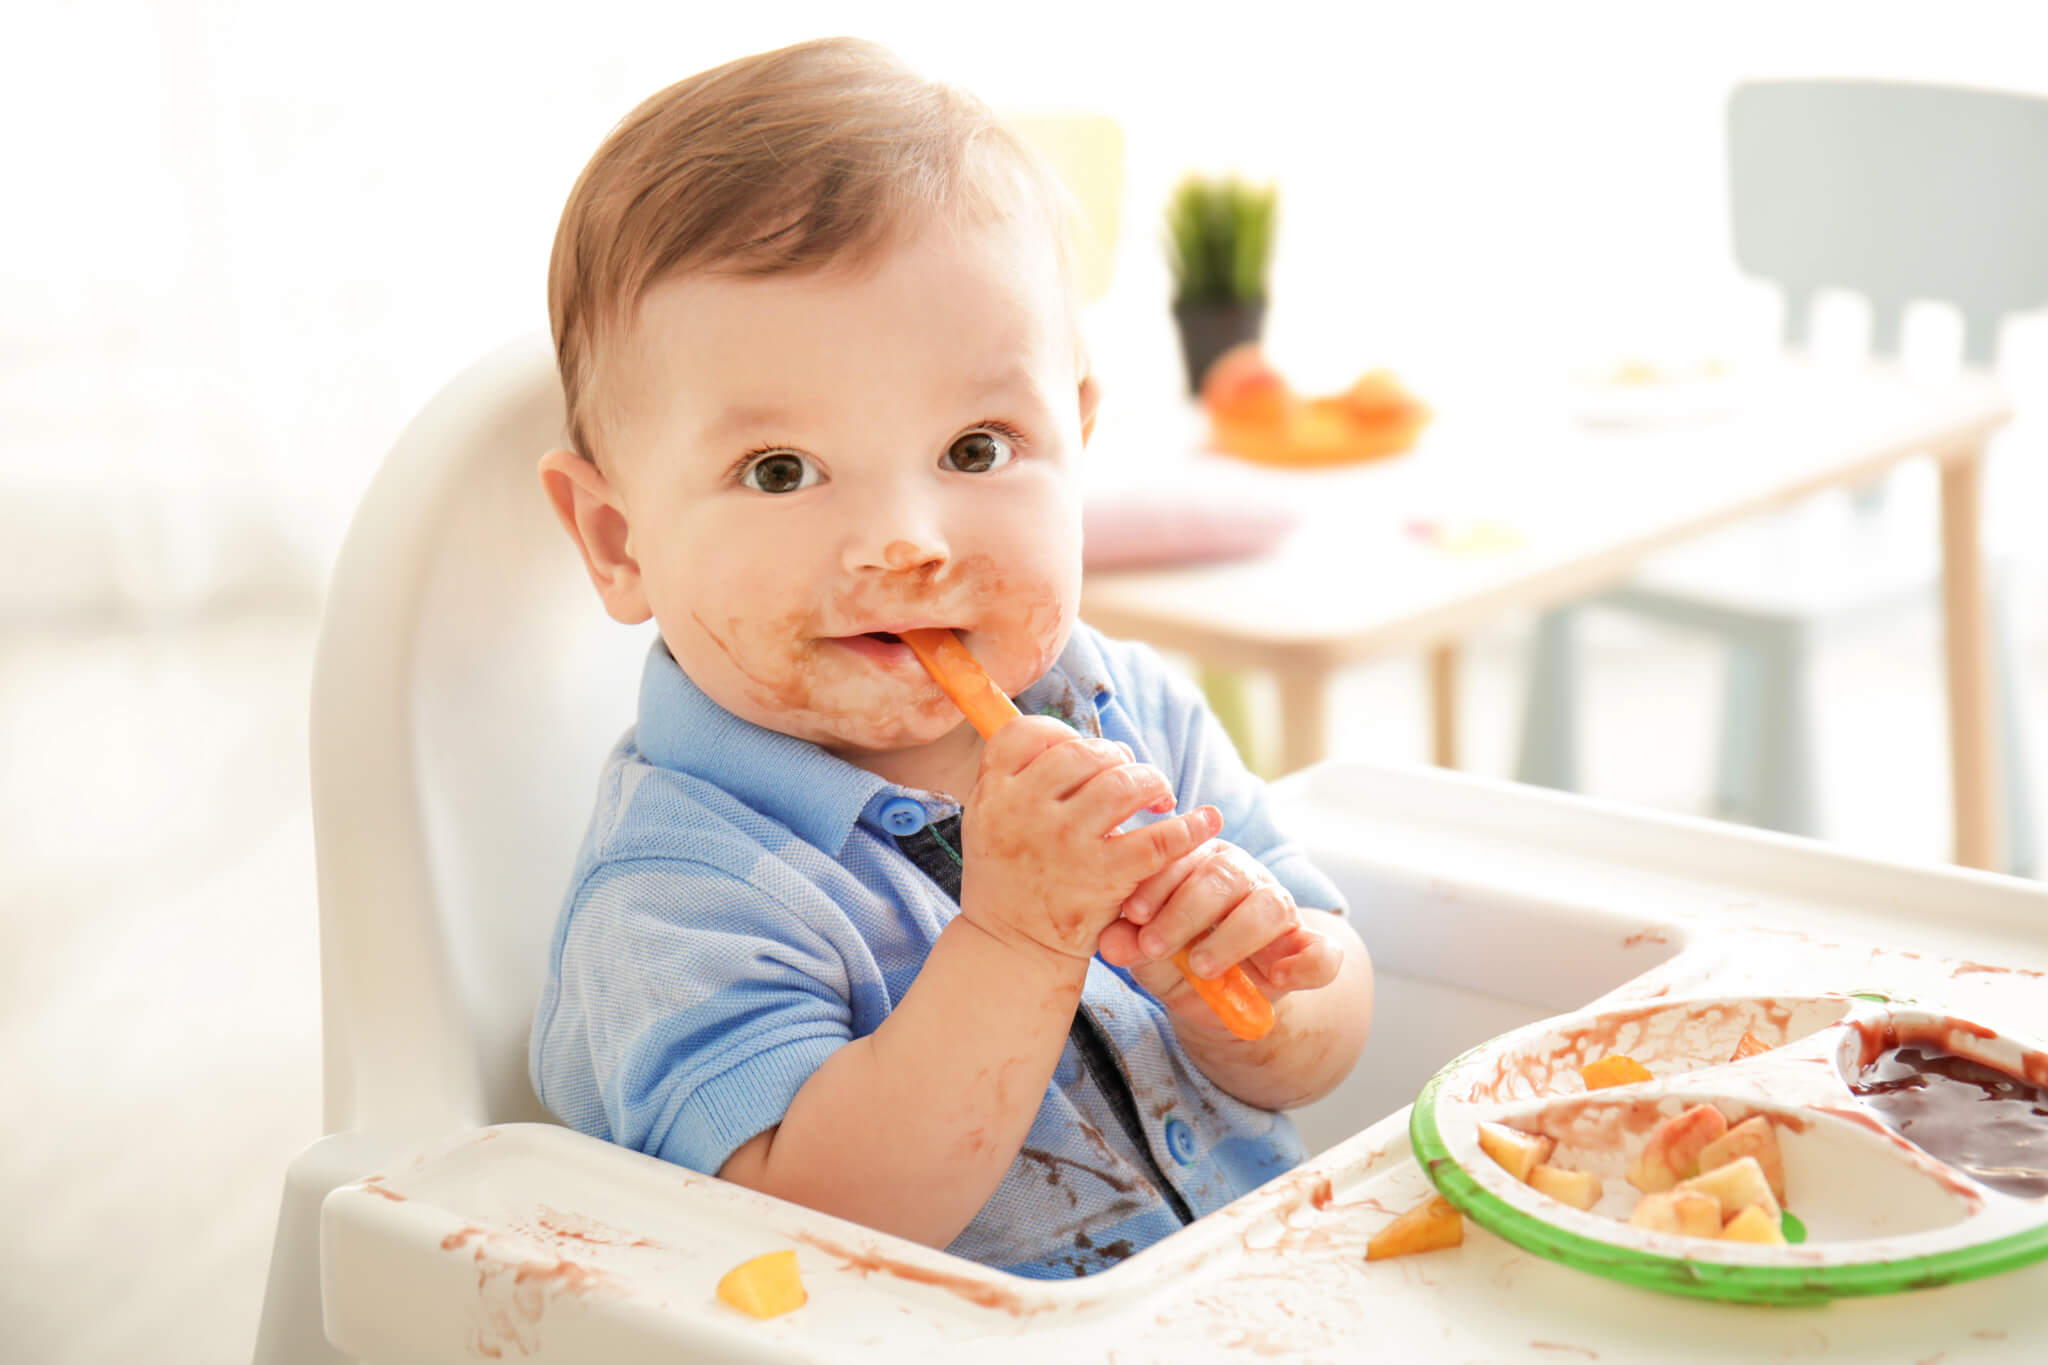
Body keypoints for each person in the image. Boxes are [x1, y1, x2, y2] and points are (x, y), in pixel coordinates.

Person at [528, 36, 1373, 1280]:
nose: (906, 546)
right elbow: (808, 1230)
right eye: (780, 472)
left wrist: (1247, 980)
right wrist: (1017, 943)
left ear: (1073, 437)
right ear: (618, 542)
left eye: (975, 449)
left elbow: (1321, 1037)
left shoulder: (1126, 711)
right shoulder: (673, 897)